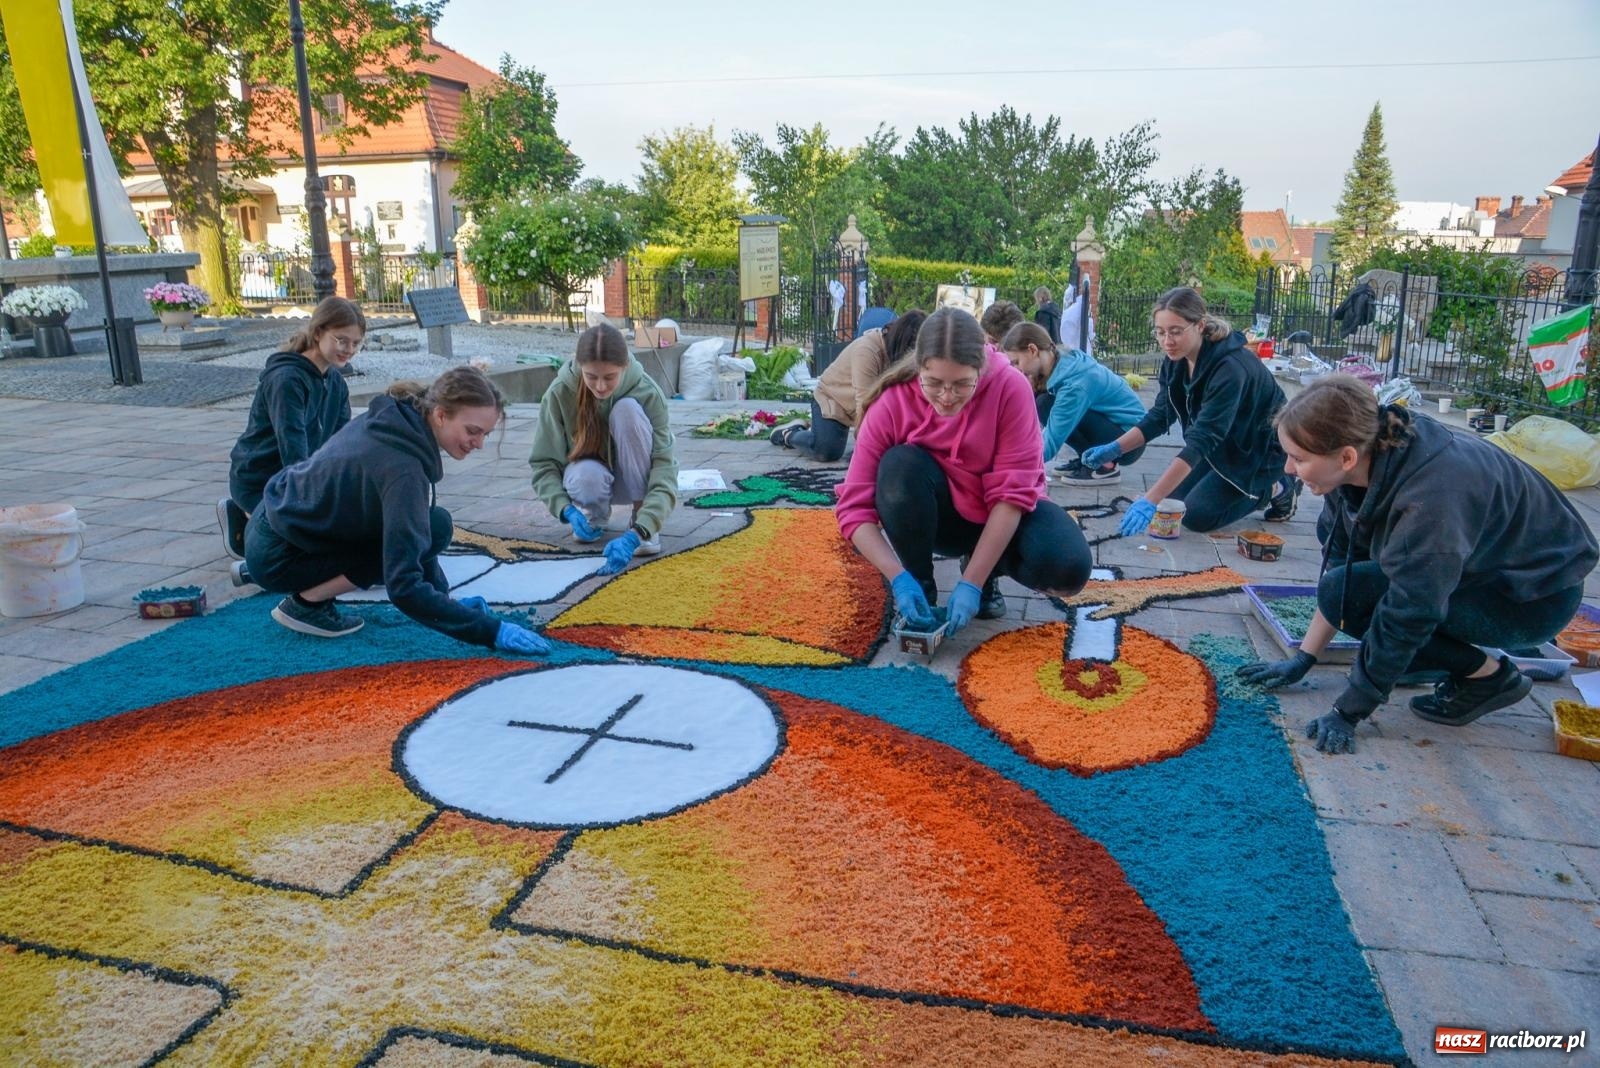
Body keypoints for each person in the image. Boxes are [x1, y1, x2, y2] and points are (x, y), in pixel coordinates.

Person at [1235, 375, 1598, 755]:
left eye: (1299, 458)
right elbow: (1341, 576)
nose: (1289, 470)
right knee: (1350, 596)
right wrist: (1304, 659)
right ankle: (1434, 664)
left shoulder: (1431, 498)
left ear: (1346, 456)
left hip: (1535, 597)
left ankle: (1491, 678)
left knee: (1392, 618)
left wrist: (1349, 710)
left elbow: (1410, 611)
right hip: (1482, 568)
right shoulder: (1358, 462)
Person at [238, 366, 548, 654]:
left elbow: (418, 532)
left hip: (275, 522)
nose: (478, 443)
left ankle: (266, 571)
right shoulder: (403, 470)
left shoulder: (399, 417)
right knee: (414, 540)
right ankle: (306, 603)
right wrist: (489, 631)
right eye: (472, 431)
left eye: (485, 434)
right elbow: (403, 585)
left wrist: (443, 600)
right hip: (279, 554)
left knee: (433, 525)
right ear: (440, 415)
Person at [835, 307, 1092, 632]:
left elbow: (1013, 496)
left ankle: (984, 571)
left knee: (1069, 567)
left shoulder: (1011, 388)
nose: (946, 397)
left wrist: (972, 582)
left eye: (961, 385)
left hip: (999, 515)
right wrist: (898, 578)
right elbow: (853, 509)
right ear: (919, 368)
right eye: (934, 383)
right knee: (899, 465)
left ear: (981, 369)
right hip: (937, 518)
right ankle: (920, 588)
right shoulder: (891, 403)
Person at [1082, 287, 1299, 537]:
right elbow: (1161, 415)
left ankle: (1277, 487)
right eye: (1160, 332)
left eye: (1175, 332)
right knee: (1173, 505)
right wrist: (1115, 448)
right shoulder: (1175, 361)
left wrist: (1151, 499)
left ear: (1200, 325)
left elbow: (1203, 438)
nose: (1167, 341)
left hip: (1256, 453)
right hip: (1221, 446)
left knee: (1196, 516)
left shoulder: (1230, 368)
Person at [219, 296, 363, 560]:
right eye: (341, 340)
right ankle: (244, 519)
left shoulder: (336, 383)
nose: (349, 349)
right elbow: (292, 449)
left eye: (355, 343)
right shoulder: (286, 379)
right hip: (261, 479)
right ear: (319, 332)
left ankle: (261, 523)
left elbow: (340, 445)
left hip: (300, 477)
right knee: (309, 549)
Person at [529, 322, 678, 576]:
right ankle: (592, 514)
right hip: (590, 480)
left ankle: (640, 516)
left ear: (625, 367)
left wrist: (642, 529)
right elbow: (543, 464)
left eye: (609, 377)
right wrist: (565, 509)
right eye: (591, 377)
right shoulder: (559, 393)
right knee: (585, 474)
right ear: (579, 366)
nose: (599, 386)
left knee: (627, 410)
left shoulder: (649, 393)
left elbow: (664, 468)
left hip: (634, 481)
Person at [1000, 321, 1146, 486]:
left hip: (1129, 442)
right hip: (1120, 430)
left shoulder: (1074, 384)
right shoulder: (1064, 361)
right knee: (1045, 403)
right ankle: (1088, 459)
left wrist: (1013, 469)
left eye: (1016, 362)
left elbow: (1053, 438)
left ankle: (1104, 466)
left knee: (1047, 405)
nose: (1015, 369)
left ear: (1033, 350)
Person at [770, 310, 927, 462]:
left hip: (858, 406)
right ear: (904, 344)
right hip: (832, 400)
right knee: (826, 451)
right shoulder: (867, 350)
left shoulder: (904, 355)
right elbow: (864, 403)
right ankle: (789, 434)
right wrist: (867, 449)